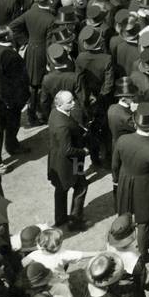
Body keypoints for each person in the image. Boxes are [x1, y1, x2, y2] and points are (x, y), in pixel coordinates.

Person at [111, 102, 149, 260]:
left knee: (124, 217)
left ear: (135, 122)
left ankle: (122, 247)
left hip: (124, 182)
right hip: (144, 188)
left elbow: (115, 164)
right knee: (143, 222)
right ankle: (143, 254)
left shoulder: (122, 140)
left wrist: (116, 180)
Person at [47, 90, 88, 231]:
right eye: (69, 102)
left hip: (57, 162)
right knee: (81, 186)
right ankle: (75, 221)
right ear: (60, 104)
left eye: (72, 100)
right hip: (72, 162)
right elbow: (67, 150)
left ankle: (60, 219)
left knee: (60, 190)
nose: (74, 103)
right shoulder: (62, 126)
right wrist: (84, 151)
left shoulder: (55, 113)